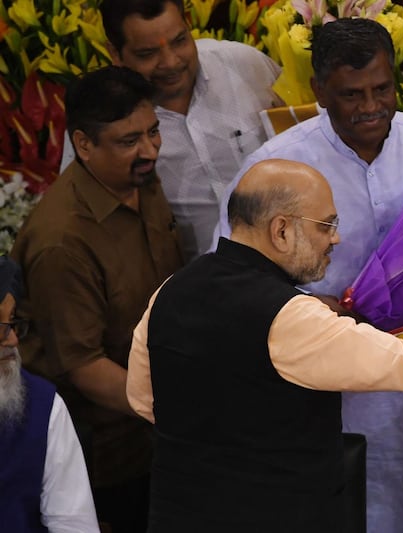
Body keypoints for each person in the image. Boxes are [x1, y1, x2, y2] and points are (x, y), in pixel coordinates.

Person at [125, 158, 403, 532]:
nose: (335, 238)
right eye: (326, 225)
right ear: (281, 230)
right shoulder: (289, 316)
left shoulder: (170, 289)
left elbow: (144, 398)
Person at [213, 18, 403, 532]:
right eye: (351, 94)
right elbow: (231, 277)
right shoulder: (275, 166)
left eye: (382, 89)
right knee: (351, 506)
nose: (370, 107)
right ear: (319, 90)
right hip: (332, 387)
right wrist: (306, 308)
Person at [11, 66, 184, 533]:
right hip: (107, 457)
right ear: (84, 145)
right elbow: (82, 367)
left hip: (161, 435)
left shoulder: (140, 178)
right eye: (129, 140)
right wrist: (178, 407)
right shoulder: (62, 242)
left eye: (153, 132)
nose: (149, 150)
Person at [61, 0, 282, 260]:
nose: (170, 62)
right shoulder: (100, 122)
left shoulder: (246, 66)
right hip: (196, 286)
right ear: (115, 53)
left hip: (291, 267)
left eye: (179, 41)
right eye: (147, 54)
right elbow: (81, 221)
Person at [0, 257, 101, 533]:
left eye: (12, 322)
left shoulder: (43, 408)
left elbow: (75, 526)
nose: (12, 340)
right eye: (0, 327)